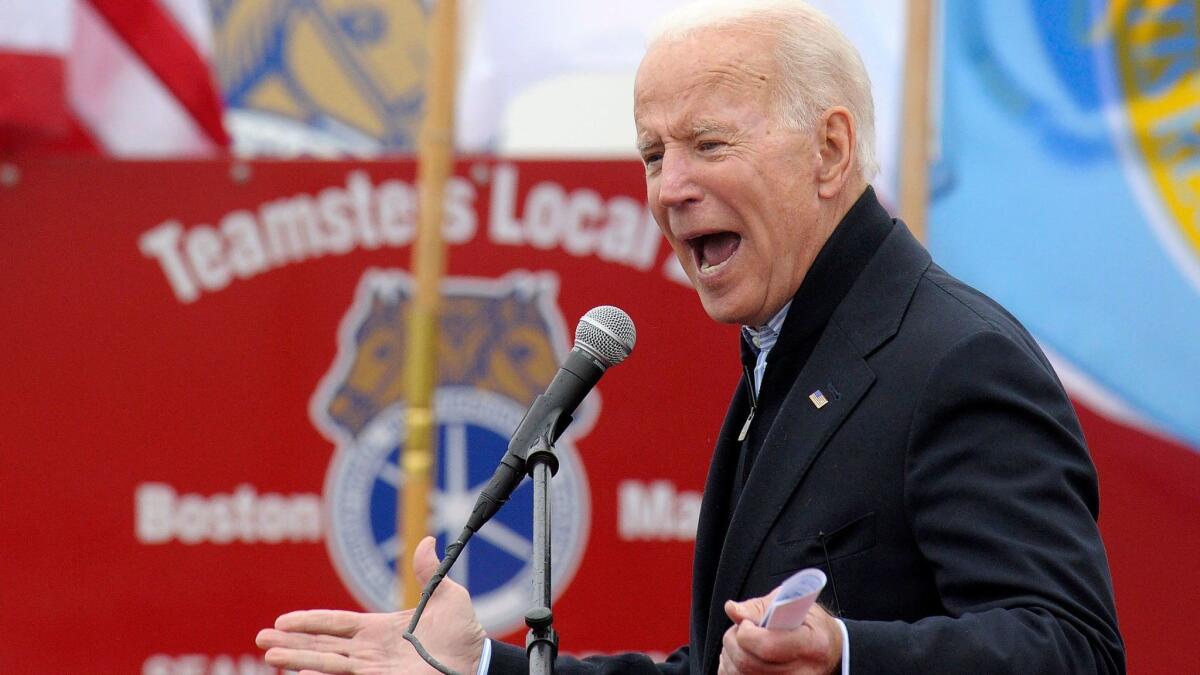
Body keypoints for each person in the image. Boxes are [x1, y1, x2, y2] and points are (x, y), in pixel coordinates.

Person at [256, 1, 1125, 673]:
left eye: (707, 144)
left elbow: (1072, 647)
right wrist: (482, 662)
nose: (670, 188)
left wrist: (847, 652)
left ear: (829, 151)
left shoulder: (953, 359)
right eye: (650, 154)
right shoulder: (785, 352)